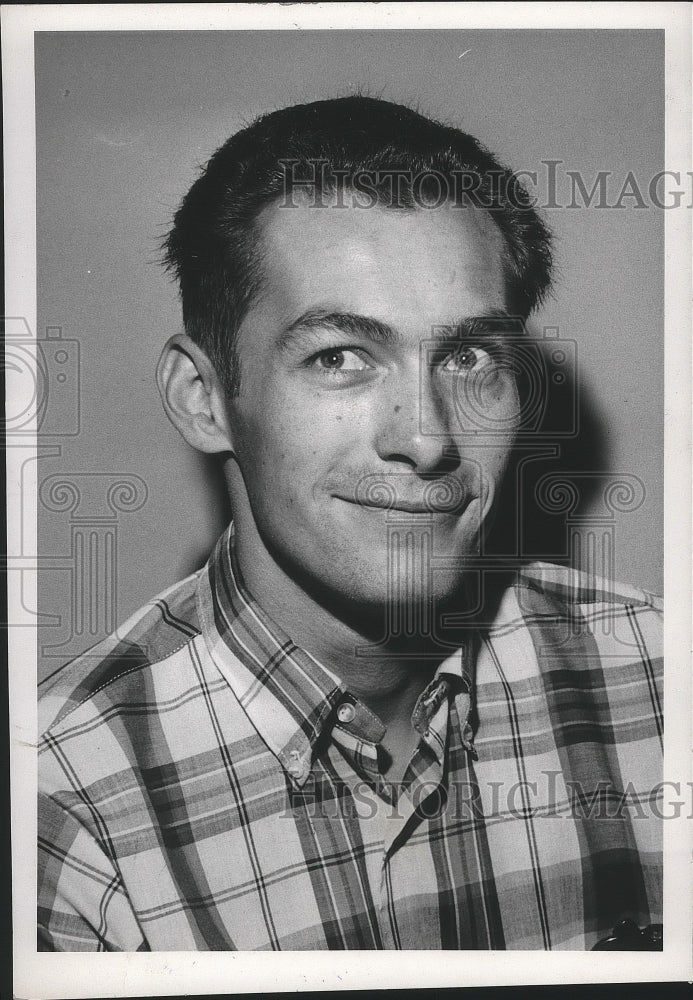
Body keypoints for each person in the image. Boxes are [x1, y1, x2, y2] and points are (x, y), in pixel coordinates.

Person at [37, 96, 662, 951]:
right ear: (205, 399)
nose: (428, 437)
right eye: (340, 358)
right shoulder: (62, 807)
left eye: (470, 357)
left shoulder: (659, 679)